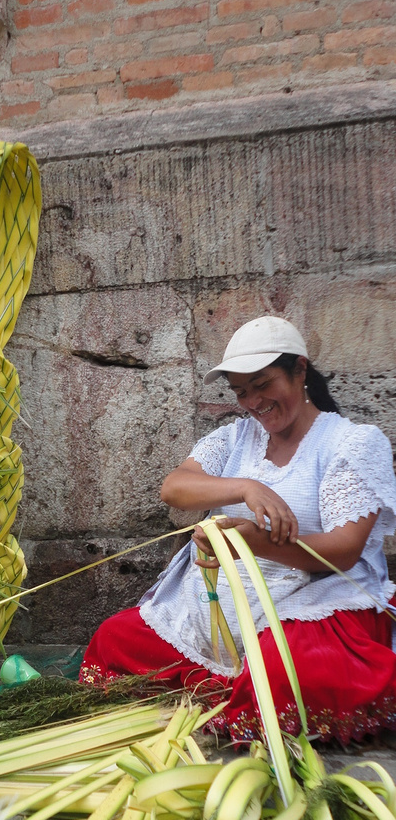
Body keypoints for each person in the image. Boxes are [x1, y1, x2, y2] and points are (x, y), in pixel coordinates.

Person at [79, 316, 396, 744]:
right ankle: (236, 697)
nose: (253, 402)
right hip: (215, 601)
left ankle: (232, 696)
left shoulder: (351, 443)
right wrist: (248, 486)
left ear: (300, 370)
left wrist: (252, 541)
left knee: (283, 670)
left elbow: (342, 550)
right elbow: (174, 488)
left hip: (314, 598)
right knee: (115, 640)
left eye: (263, 385)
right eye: (241, 391)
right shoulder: (236, 438)